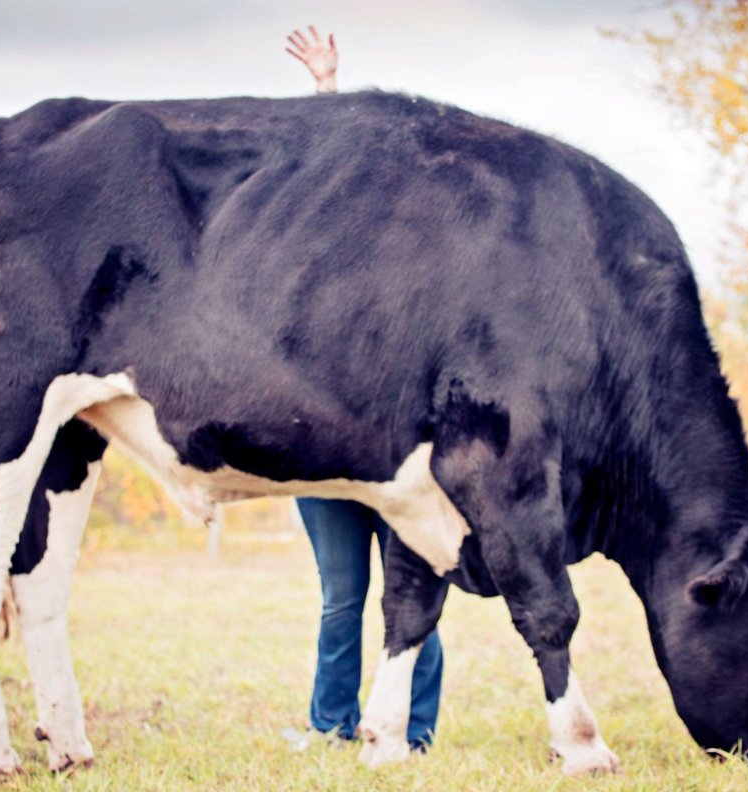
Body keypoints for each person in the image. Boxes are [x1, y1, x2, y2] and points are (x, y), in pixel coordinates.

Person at [283, 26, 444, 752]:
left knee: (411, 597)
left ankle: (414, 730)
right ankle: (331, 729)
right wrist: (323, 94)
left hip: (397, 462)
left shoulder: (417, 276)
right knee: (342, 599)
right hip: (321, 459)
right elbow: (324, 183)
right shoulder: (302, 278)